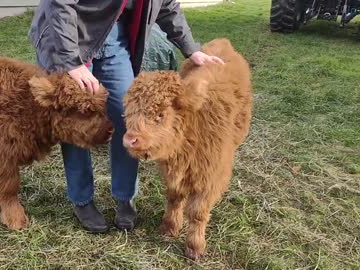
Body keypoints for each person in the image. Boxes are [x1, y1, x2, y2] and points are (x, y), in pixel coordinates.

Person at [28, 0, 223, 233]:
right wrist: (71, 61)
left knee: (129, 119)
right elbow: (60, 3)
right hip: (68, 36)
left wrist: (192, 49)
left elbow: (167, 5)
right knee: (77, 120)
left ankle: (125, 195)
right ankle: (82, 200)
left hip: (115, 38)